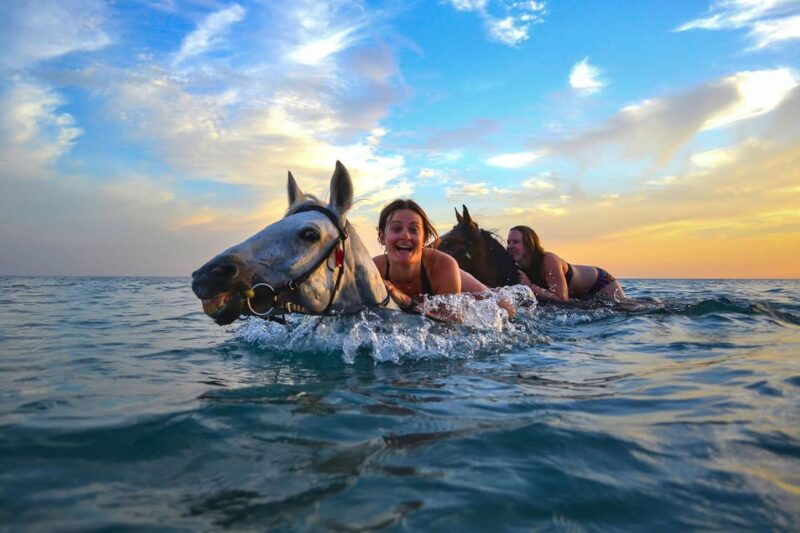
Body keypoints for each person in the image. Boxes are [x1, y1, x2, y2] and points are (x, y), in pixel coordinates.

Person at [373, 199, 489, 313]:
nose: (405, 236)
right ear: (382, 237)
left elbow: (450, 324)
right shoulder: (373, 271)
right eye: (397, 229)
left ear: (425, 238)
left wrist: (407, 302)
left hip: (470, 289)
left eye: (414, 230)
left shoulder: (444, 267)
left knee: (505, 307)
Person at [506, 225, 625, 302]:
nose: (510, 246)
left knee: (625, 309)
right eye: (508, 242)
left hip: (602, 284)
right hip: (579, 295)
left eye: (516, 242)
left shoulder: (548, 260)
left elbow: (562, 300)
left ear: (529, 245)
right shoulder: (518, 268)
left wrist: (531, 286)